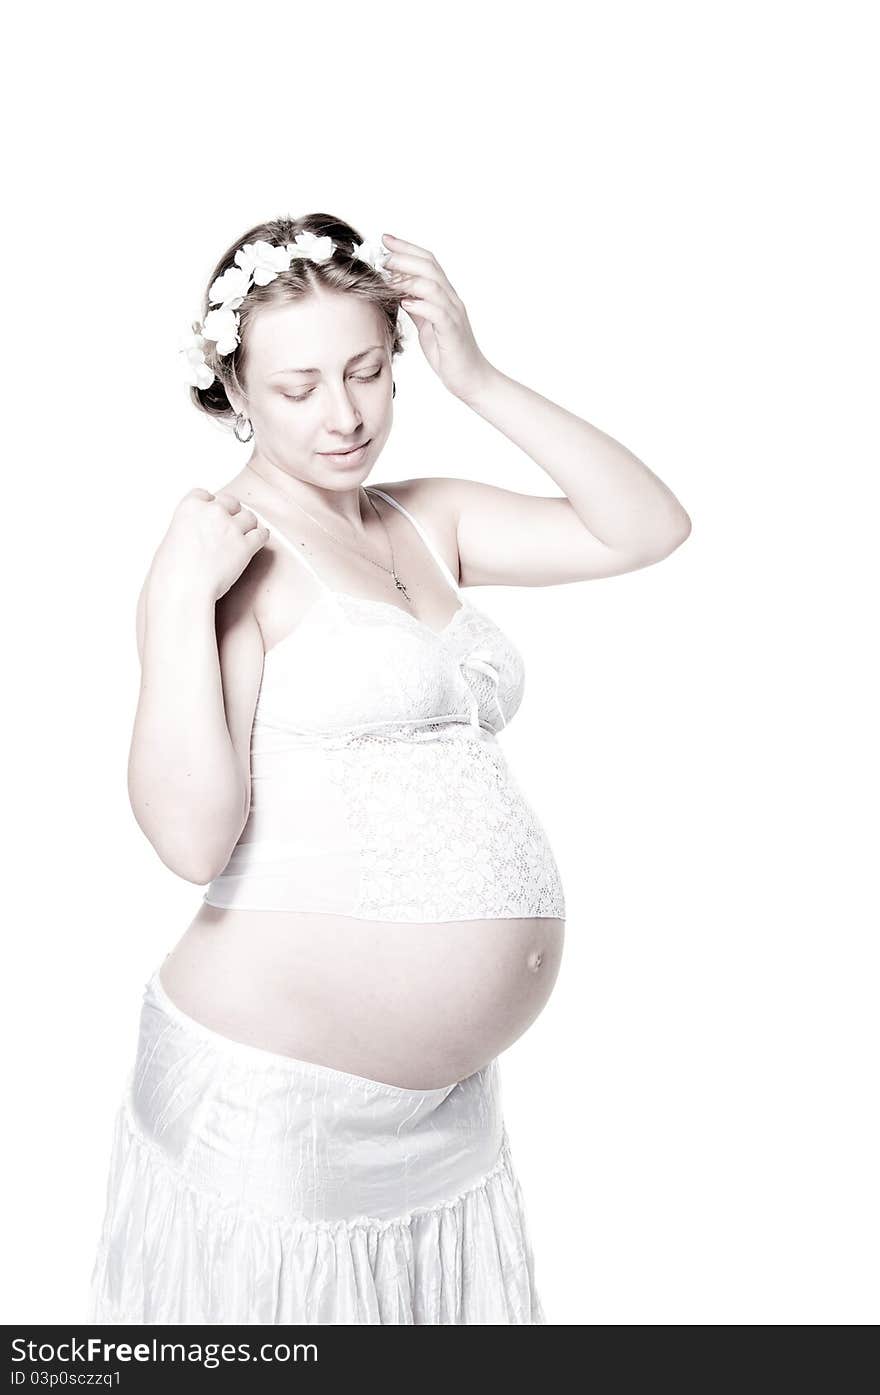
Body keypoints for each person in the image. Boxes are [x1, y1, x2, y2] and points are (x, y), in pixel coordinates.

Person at [88, 213, 691, 1325]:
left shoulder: (429, 521)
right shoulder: (224, 554)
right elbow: (189, 841)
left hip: (446, 1119)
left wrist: (480, 375)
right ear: (233, 386)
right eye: (300, 385)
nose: (343, 414)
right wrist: (175, 599)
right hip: (280, 1105)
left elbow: (645, 528)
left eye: (367, 371)